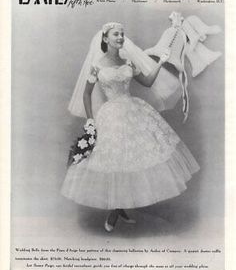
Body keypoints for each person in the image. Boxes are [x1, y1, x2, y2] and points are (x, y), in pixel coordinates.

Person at [61, 22, 200, 232]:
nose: (120, 37)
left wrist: (161, 61)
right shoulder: (97, 66)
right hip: (111, 116)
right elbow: (86, 94)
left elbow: (148, 82)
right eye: (116, 34)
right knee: (117, 161)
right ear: (106, 39)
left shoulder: (128, 62)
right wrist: (90, 120)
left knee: (134, 159)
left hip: (134, 111)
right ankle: (116, 209)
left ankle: (119, 209)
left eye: (122, 34)